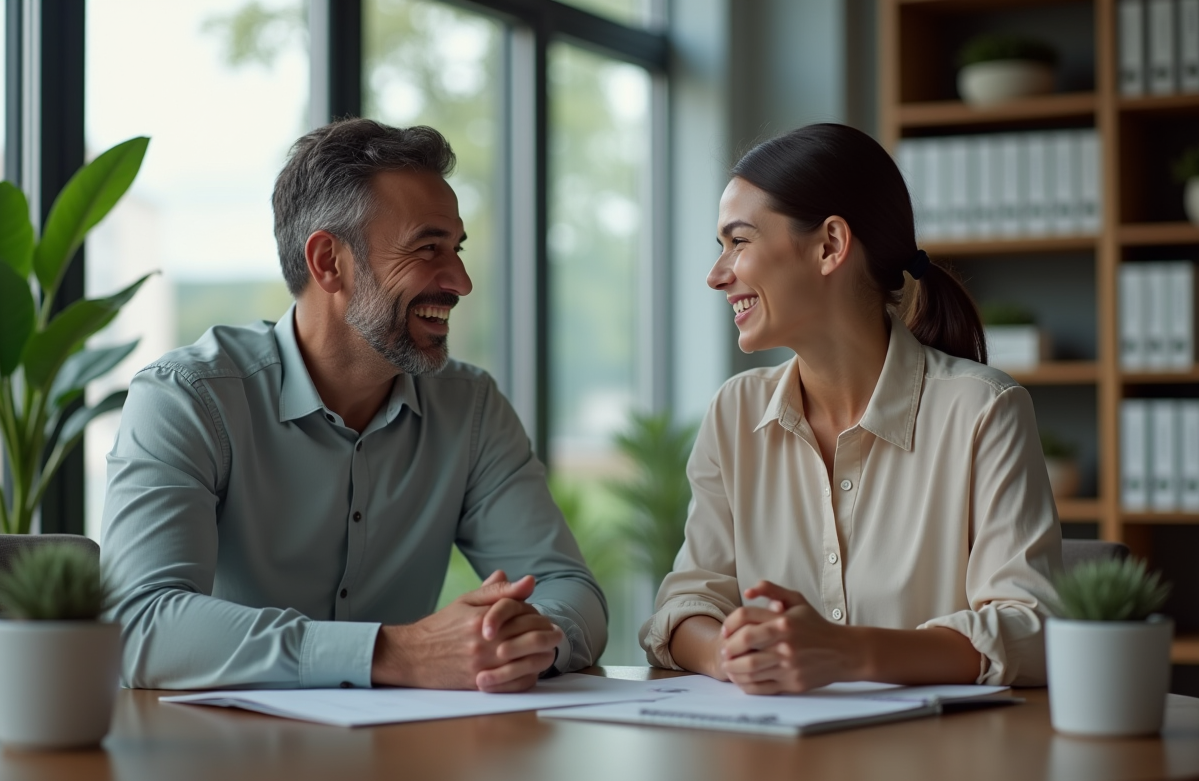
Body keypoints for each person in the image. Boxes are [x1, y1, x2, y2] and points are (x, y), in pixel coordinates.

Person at [101, 119, 606, 692]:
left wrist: (521, 639)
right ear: (328, 262)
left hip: (402, 761)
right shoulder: (188, 399)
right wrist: (394, 652)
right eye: (428, 248)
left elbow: (571, 589)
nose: (461, 281)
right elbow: (137, 623)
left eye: (457, 249)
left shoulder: (471, 409)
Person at [639, 123, 1061, 693]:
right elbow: (687, 601)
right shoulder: (735, 412)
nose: (716, 275)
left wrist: (844, 652)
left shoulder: (985, 411)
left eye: (738, 242)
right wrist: (730, 657)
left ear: (831, 245)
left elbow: (1032, 630)